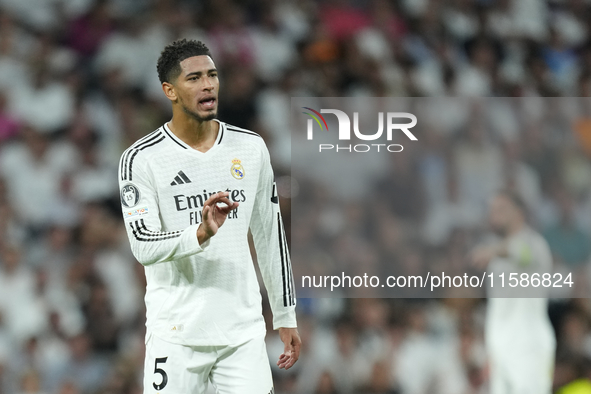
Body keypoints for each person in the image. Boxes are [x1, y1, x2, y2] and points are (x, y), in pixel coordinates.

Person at [117, 39, 300, 394]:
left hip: (242, 335)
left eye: (213, 75)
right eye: (195, 78)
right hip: (176, 335)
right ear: (169, 90)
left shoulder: (250, 148)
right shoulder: (141, 159)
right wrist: (199, 233)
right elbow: (142, 244)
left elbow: (270, 237)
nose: (208, 84)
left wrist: (284, 314)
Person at [472, 191, 555, 394]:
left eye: (501, 209)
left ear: (519, 213)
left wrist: (494, 251)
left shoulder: (536, 244)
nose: (494, 215)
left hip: (528, 346)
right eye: (491, 210)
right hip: (501, 349)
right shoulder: (497, 257)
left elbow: (522, 253)